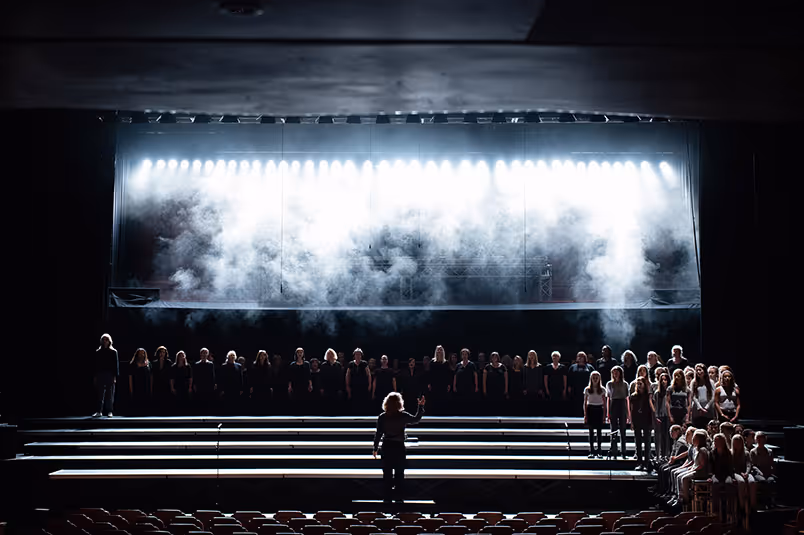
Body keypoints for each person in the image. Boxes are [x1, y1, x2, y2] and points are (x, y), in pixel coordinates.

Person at [372, 392, 426, 503]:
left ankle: (387, 499)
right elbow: (416, 419)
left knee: (387, 474)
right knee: (399, 474)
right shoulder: (403, 416)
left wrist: (375, 448)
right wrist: (420, 406)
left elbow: (378, 434)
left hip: (387, 447)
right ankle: (399, 498)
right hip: (398, 447)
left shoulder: (382, 417)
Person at [674, 429, 710, 509]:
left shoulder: (702, 450)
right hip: (695, 469)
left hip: (700, 472)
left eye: (694, 438)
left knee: (684, 478)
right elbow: (694, 462)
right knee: (679, 475)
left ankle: (685, 499)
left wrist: (692, 470)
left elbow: (702, 465)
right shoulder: (695, 449)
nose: (693, 440)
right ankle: (679, 497)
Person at [630, 376, 653, 470]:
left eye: (641, 383)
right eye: (637, 384)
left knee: (647, 442)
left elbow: (651, 409)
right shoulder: (633, 396)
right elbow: (631, 409)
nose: (639, 385)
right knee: (638, 442)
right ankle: (639, 462)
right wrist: (631, 421)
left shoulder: (648, 395)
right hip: (637, 419)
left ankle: (647, 462)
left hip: (646, 419)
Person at [606, 365, 629, 459]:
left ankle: (623, 451)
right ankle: (614, 451)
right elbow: (608, 399)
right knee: (613, 430)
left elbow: (627, 399)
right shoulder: (609, 384)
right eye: (613, 372)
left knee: (623, 430)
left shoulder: (625, 384)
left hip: (622, 404)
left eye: (617, 372)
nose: (615, 374)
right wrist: (608, 413)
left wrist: (628, 414)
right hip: (613, 405)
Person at [93, 334, 119, 417]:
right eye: (103, 340)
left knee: (110, 394)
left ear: (109, 341)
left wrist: (115, 376)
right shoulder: (98, 352)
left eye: (106, 340)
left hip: (110, 374)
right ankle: (98, 411)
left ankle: (109, 411)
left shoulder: (113, 352)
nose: (105, 341)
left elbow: (115, 365)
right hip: (100, 374)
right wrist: (95, 376)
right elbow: (96, 365)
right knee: (99, 394)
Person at [709, 432, 735, 514]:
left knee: (729, 483)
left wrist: (731, 476)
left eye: (718, 441)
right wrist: (710, 476)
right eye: (715, 441)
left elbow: (730, 466)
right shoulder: (712, 453)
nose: (716, 443)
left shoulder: (728, 453)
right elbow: (710, 466)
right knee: (715, 484)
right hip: (716, 474)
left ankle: (730, 509)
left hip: (726, 474)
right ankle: (715, 510)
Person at [732, 434, 757, 516]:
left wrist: (746, 472)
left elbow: (749, 464)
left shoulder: (746, 453)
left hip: (745, 472)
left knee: (752, 482)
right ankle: (742, 506)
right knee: (741, 482)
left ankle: (753, 506)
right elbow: (731, 466)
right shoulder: (731, 453)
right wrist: (740, 473)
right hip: (736, 473)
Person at [583, 370, 607, 459]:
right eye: (593, 377)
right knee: (591, 432)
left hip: (599, 409)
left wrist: (605, 415)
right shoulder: (587, 389)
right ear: (591, 379)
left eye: (597, 377)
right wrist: (585, 414)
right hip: (590, 409)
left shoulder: (603, 389)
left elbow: (604, 404)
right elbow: (585, 403)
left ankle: (599, 451)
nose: (595, 379)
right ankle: (592, 451)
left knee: (599, 432)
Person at [651, 372, 672, 460]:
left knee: (668, 436)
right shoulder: (657, 393)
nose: (664, 382)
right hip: (661, 416)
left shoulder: (670, 391)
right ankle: (661, 455)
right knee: (661, 436)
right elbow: (656, 406)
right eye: (662, 380)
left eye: (665, 379)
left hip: (668, 416)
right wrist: (656, 417)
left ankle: (668, 454)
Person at [568, 351, 594, 417]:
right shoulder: (572, 367)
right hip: (575, 389)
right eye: (579, 356)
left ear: (585, 357)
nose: (580, 358)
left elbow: (594, 378)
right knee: (576, 405)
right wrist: (569, 387)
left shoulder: (589, 367)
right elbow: (569, 378)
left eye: (582, 356)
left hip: (587, 389)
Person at [453, 348, 478, 415]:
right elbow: (455, 376)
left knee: (469, 403)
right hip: (460, 387)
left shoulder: (472, 365)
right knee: (460, 403)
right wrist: (454, 386)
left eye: (466, 354)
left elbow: (475, 375)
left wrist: (476, 386)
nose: (464, 356)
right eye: (463, 354)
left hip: (470, 387)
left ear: (468, 355)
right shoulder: (458, 365)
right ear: (461, 356)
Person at [346, 348, 372, 414]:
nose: (358, 356)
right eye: (356, 354)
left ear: (361, 355)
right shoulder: (351, 364)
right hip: (353, 387)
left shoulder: (364, 363)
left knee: (363, 402)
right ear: (354, 355)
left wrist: (369, 385)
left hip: (363, 387)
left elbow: (369, 375)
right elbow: (347, 375)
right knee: (354, 403)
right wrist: (347, 386)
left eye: (359, 354)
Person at [428, 345, 452, 414]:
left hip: (443, 385)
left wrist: (449, 384)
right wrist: (429, 383)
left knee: (443, 401)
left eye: (440, 349)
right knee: (434, 400)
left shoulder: (446, 363)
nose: (439, 351)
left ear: (443, 351)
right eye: (438, 349)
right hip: (434, 384)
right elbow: (430, 374)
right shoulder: (432, 362)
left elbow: (448, 375)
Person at [690, 363, 715, 428]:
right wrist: (700, 408)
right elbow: (693, 396)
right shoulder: (693, 382)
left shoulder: (711, 382)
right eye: (697, 370)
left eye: (700, 370)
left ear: (704, 371)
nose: (698, 372)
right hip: (697, 409)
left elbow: (713, 396)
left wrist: (706, 407)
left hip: (708, 409)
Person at [218, 350, 243, 415]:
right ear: (228, 357)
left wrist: (241, 389)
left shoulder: (239, 366)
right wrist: (221, 389)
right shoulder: (224, 366)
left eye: (233, 355)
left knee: (236, 404)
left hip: (236, 388)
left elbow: (241, 378)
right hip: (227, 388)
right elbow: (221, 378)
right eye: (230, 355)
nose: (232, 357)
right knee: (227, 404)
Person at [320, 348, 344, 414]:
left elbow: (340, 377)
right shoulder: (323, 365)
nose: (330, 355)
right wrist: (321, 387)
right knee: (327, 403)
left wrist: (340, 388)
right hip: (326, 387)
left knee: (336, 403)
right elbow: (321, 377)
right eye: (328, 354)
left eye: (331, 354)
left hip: (336, 387)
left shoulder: (338, 365)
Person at [193, 348, 216, 415]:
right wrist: (194, 385)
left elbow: (213, 375)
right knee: (200, 402)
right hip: (200, 385)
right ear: (200, 354)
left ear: (207, 354)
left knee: (208, 402)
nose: (204, 354)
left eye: (206, 353)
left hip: (208, 386)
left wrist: (214, 384)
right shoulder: (197, 364)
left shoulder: (210, 364)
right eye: (203, 353)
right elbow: (195, 375)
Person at [128, 348, 152, 415]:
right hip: (137, 386)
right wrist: (131, 390)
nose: (142, 354)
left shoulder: (148, 363)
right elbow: (130, 377)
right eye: (140, 353)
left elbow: (151, 376)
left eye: (143, 353)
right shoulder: (133, 364)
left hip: (146, 386)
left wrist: (151, 388)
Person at [151, 346, 173, 414]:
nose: (162, 354)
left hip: (166, 385)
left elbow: (171, 375)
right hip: (157, 385)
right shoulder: (154, 363)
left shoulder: (168, 362)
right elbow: (152, 376)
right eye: (160, 352)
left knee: (166, 402)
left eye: (163, 352)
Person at [544, 351, 568, 415]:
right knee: (551, 404)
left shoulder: (563, 367)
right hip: (551, 388)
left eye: (556, 356)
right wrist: (546, 389)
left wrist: (565, 389)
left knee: (559, 404)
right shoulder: (548, 367)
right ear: (552, 357)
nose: (555, 357)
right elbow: (545, 379)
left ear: (559, 358)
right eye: (553, 356)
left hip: (560, 388)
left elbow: (565, 379)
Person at [170, 350, 193, 414]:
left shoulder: (188, 366)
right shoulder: (174, 367)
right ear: (177, 357)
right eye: (180, 356)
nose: (181, 357)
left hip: (185, 386)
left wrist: (190, 387)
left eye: (182, 356)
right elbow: (172, 378)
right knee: (177, 401)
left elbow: (190, 377)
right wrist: (172, 387)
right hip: (177, 386)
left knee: (186, 402)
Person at [523, 350, 545, 415]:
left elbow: (541, 378)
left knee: (537, 407)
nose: (531, 356)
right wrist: (524, 388)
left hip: (537, 389)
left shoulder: (539, 366)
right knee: (528, 407)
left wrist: (541, 388)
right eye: (530, 355)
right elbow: (524, 378)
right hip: (528, 389)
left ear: (535, 356)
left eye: (533, 355)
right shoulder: (525, 367)